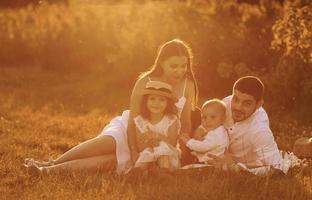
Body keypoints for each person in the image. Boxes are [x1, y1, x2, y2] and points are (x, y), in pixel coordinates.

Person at [24, 39, 198, 174]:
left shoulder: (187, 84)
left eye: (183, 66)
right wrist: (133, 150)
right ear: (161, 63)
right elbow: (132, 121)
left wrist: (177, 150)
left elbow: (186, 123)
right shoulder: (146, 80)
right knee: (109, 143)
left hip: (159, 139)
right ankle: (52, 162)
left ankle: (46, 171)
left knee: (110, 161)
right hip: (132, 129)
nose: (179, 71)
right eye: (173, 66)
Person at [211, 76, 298, 175]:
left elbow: (277, 168)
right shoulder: (225, 103)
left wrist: (235, 166)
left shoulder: (259, 130)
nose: (238, 107)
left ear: (258, 105)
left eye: (246, 103)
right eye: (236, 99)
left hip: (246, 163)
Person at [133, 81, 180, 171]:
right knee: (146, 152)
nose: (156, 103)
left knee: (161, 146)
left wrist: (158, 136)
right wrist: (148, 143)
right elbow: (139, 146)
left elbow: (173, 143)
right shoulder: (140, 121)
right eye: (152, 99)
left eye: (162, 100)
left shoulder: (171, 120)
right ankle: (137, 172)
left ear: (168, 103)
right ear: (146, 101)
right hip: (149, 158)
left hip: (169, 158)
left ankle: (164, 172)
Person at [179, 99, 228, 163]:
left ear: (223, 119)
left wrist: (189, 142)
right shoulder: (217, 130)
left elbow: (203, 147)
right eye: (204, 117)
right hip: (209, 161)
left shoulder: (217, 134)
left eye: (212, 117)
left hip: (212, 164)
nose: (207, 120)